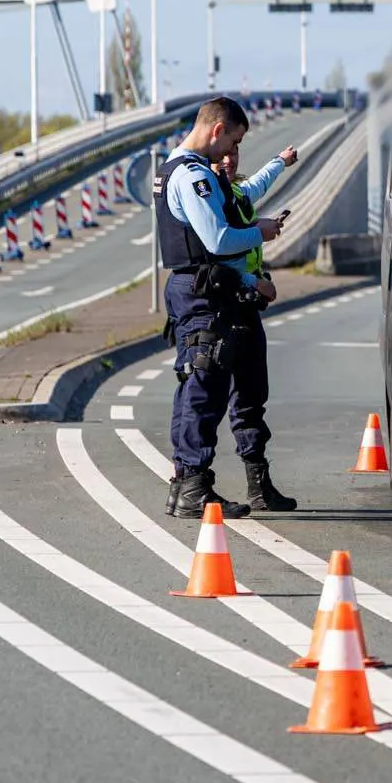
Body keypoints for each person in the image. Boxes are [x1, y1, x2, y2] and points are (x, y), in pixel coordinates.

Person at [156, 98, 285, 519]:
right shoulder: (195, 176)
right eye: (233, 138)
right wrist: (259, 231)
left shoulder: (173, 169)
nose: (230, 151)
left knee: (199, 384)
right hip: (203, 294)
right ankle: (193, 487)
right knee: (204, 389)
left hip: (202, 288)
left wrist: (248, 281)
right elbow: (218, 241)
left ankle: (187, 485)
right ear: (217, 130)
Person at [213, 140, 299, 512]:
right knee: (210, 399)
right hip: (223, 306)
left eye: (235, 154)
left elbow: (258, 184)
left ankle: (259, 485)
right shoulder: (210, 197)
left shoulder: (236, 192)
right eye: (224, 154)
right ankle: (194, 483)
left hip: (246, 307)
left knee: (251, 395)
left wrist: (281, 161)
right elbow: (216, 249)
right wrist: (254, 283)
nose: (230, 160)